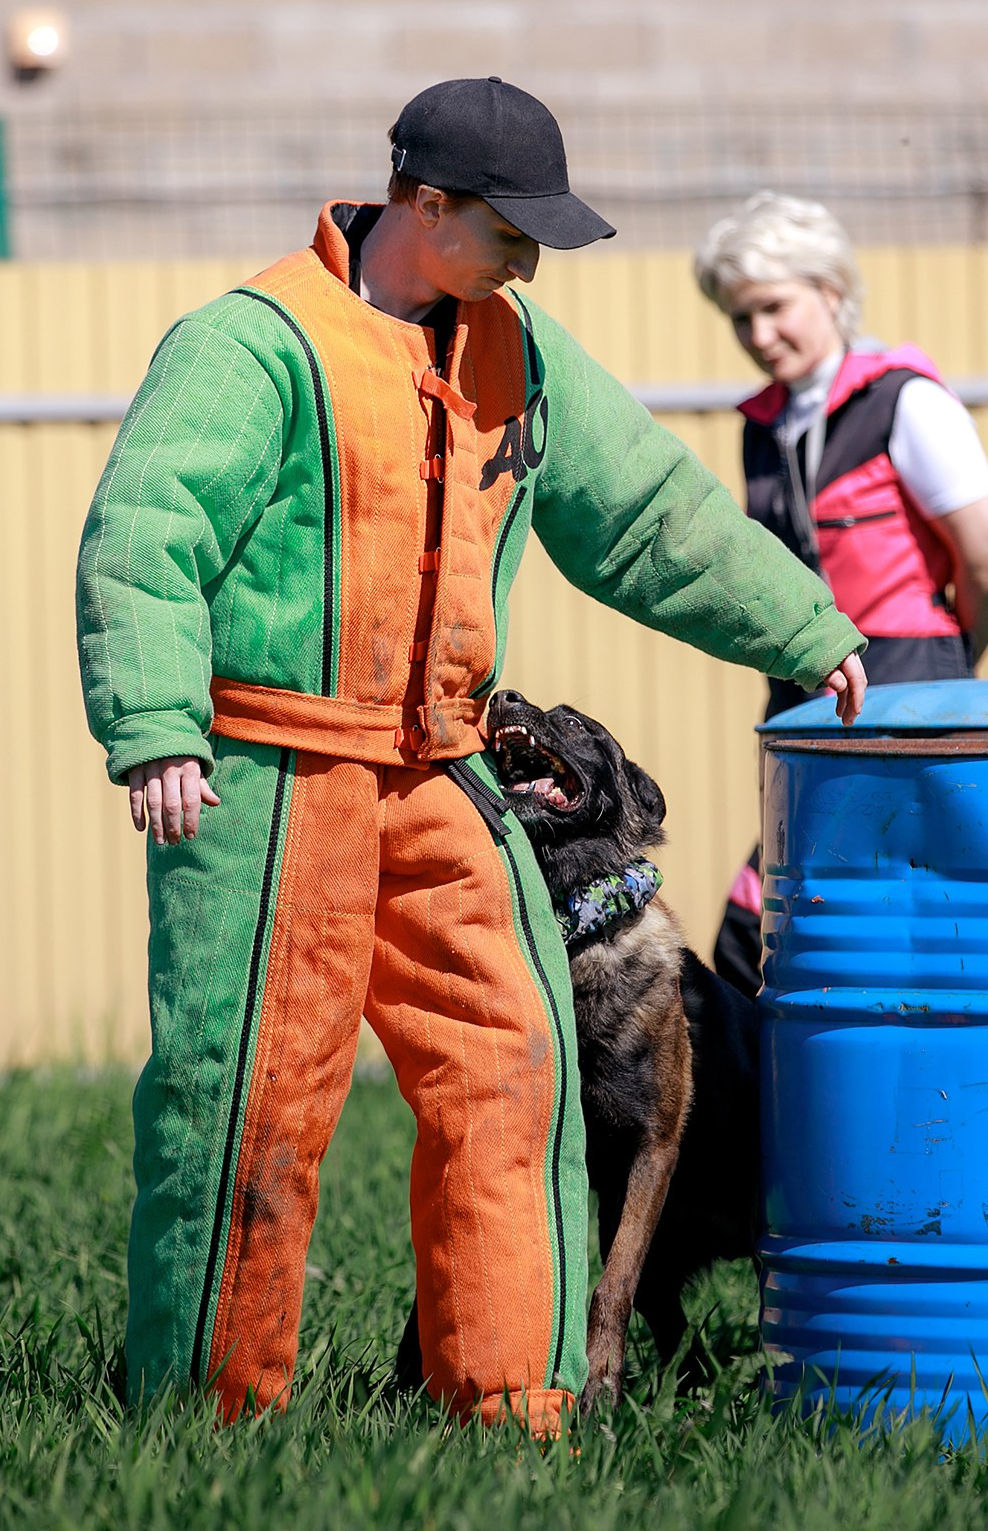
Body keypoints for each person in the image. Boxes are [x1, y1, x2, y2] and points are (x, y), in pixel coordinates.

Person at [75, 81, 868, 1437]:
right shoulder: (254, 344)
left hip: (445, 766)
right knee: (247, 1101)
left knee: (519, 1064)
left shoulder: (519, 351)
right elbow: (147, 530)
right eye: (512, 230)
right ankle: (205, 1424)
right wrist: (156, 725)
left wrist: (803, 623)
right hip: (267, 770)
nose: (530, 260)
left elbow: (646, 511)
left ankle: (515, 1402)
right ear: (421, 203)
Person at [692, 191, 988, 999]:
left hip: (910, 700)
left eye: (773, 307)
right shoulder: (762, 428)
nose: (759, 336)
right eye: (740, 318)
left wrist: (947, 659)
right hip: (803, 715)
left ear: (830, 291)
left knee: (894, 937)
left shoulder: (907, 402)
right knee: (762, 940)